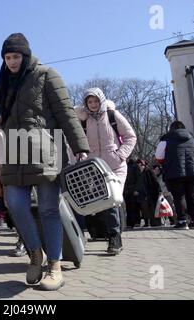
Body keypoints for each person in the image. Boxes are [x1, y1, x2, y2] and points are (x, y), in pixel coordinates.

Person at [0, 33, 90, 291]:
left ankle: (55, 266)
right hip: (14, 150)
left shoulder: (47, 74)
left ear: (25, 55)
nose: (12, 62)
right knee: (15, 204)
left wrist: (79, 146)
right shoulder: (5, 80)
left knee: (49, 210)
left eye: (16, 56)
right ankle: (36, 254)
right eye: (7, 57)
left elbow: (65, 112)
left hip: (47, 150)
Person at [75, 88, 137, 254]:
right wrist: (82, 156)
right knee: (97, 202)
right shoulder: (83, 120)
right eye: (90, 102)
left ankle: (115, 236)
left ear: (101, 101)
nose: (93, 105)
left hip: (115, 166)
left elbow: (131, 136)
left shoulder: (112, 116)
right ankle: (92, 234)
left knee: (112, 198)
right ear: (86, 104)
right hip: (94, 167)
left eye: (96, 101)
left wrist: (120, 155)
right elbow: (78, 142)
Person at [155, 121, 194, 230]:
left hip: (174, 173)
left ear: (171, 129)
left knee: (179, 197)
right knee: (193, 197)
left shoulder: (165, 140)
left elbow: (159, 157)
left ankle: (182, 221)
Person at [134, 159, 161, 227]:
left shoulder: (148, 171)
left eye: (139, 166)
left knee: (152, 209)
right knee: (146, 210)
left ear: (142, 165)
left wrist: (159, 191)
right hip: (145, 194)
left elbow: (155, 182)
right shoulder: (142, 173)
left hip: (151, 194)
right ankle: (148, 223)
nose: (139, 167)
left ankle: (155, 223)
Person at [123, 159, 141, 228]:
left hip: (133, 190)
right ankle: (129, 223)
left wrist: (137, 189)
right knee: (128, 207)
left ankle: (136, 222)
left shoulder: (134, 166)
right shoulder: (125, 166)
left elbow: (139, 179)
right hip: (126, 190)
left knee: (134, 207)